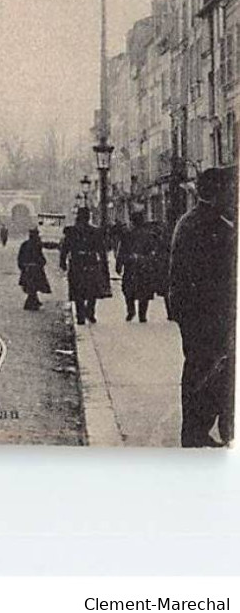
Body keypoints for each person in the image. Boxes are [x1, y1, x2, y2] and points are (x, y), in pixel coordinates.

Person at [167, 166, 237, 448]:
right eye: (231, 189)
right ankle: (198, 432)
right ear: (218, 192)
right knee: (207, 370)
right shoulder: (210, 225)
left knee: (204, 369)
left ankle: (200, 430)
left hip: (198, 312)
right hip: (207, 314)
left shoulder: (193, 221)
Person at [59, 206, 111, 324]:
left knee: (78, 290)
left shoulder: (72, 231)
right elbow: (101, 250)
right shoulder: (95, 231)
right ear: (88, 217)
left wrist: (63, 262)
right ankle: (90, 312)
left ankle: (80, 315)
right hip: (90, 261)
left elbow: (65, 248)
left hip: (77, 262)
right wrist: (103, 264)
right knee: (92, 289)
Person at [116, 215, 163, 323]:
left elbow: (121, 251)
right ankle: (142, 314)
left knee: (128, 289)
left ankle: (131, 310)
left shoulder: (127, 235)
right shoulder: (149, 235)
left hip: (130, 264)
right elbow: (154, 251)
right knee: (144, 289)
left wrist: (119, 265)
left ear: (132, 222)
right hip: (144, 266)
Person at [17, 227, 51, 310]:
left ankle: (34, 302)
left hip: (27, 268)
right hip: (35, 269)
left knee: (31, 287)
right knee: (34, 287)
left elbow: (20, 257)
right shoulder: (37, 245)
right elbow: (40, 257)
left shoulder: (25, 244)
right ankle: (31, 303)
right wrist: (42, 262)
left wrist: (22, 267)